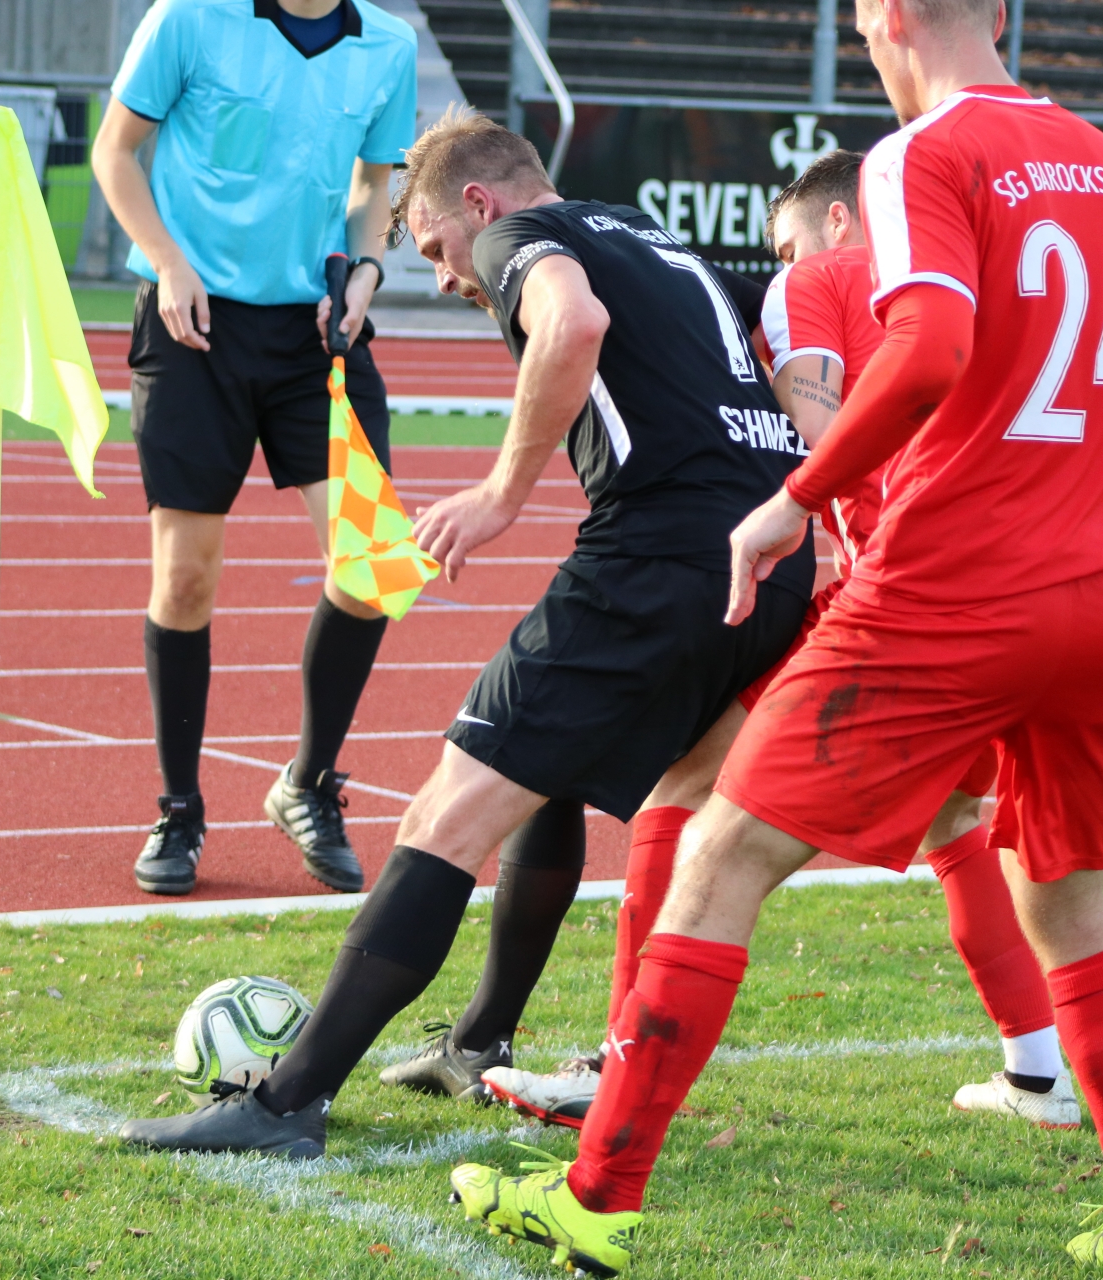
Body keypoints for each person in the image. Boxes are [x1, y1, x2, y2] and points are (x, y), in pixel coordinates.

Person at [449, 0, 1103, 1275]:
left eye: (862, 23)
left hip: (954, 589)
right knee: (1068, 904)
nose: (866, 43)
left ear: (895, 15)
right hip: (1102, 597)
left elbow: (931, 346)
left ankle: (596, 1193)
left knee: (717, 852)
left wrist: (794, 499)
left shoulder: (919, 155)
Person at [114, 110, 815, 1158]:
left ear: (479, 204)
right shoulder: (648, 234)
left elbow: (572, 325)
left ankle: (284, 1103)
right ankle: (479, 1038)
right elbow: (800, 312)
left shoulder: (518, 235)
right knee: (550, 774)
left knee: (446, 811)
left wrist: (498, 494)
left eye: (437, 248)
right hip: (769, 561)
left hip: (660, 557)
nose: (446, 276)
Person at [89, 0, 418, 897]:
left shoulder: (388, 44)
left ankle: (307, 783)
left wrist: (367, 270)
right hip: (192, 326)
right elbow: (114, 151)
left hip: (316, 333)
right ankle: (179, 809)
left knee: (374, 562)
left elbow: (375, 186)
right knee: (185, 578)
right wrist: (168, 261)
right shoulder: (189, 17)